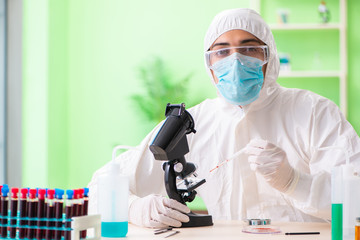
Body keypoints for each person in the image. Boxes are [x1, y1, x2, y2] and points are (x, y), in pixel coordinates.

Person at [88, 8, 360, 228]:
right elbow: (98, 189)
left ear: (269, 56)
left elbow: (356, 200)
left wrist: (295, 182)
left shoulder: (314, 111)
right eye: (222, 51)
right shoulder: (191, 122)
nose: (236, 60)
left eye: (250, 48)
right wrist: (135, 207)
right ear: (210, 64)